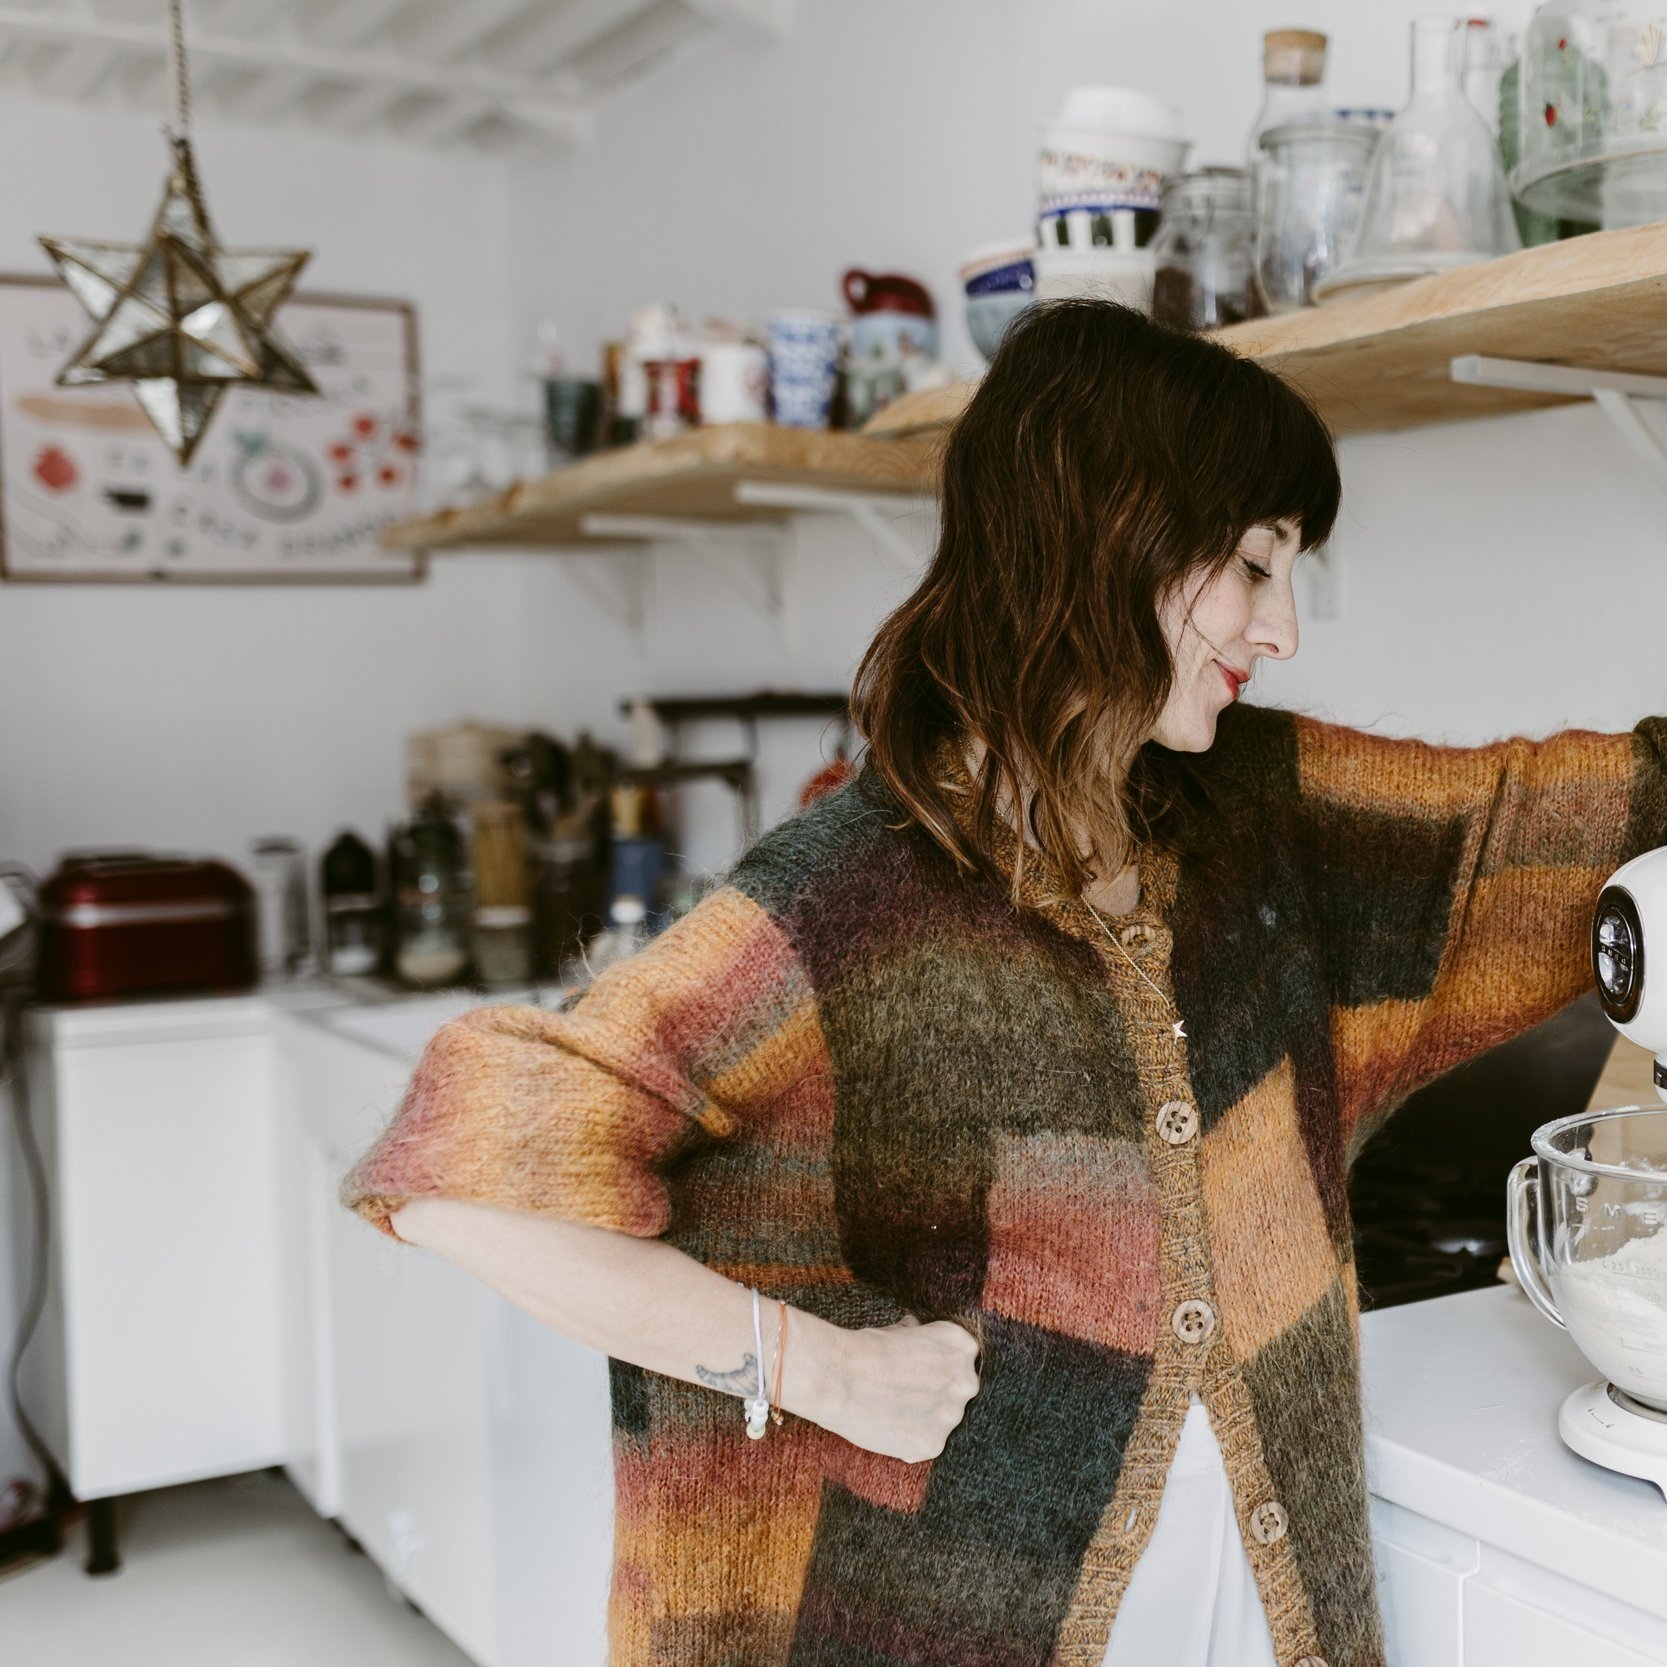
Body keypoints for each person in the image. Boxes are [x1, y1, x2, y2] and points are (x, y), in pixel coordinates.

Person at [342, 300, 1667, 1667]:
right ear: (1115, 535)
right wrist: (822, 1369)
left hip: (1262, 1605)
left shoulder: (1267, 817)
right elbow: (457, 1168)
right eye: (1257, 564)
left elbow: (1555, 820)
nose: (1280, 630)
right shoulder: (850, 901)